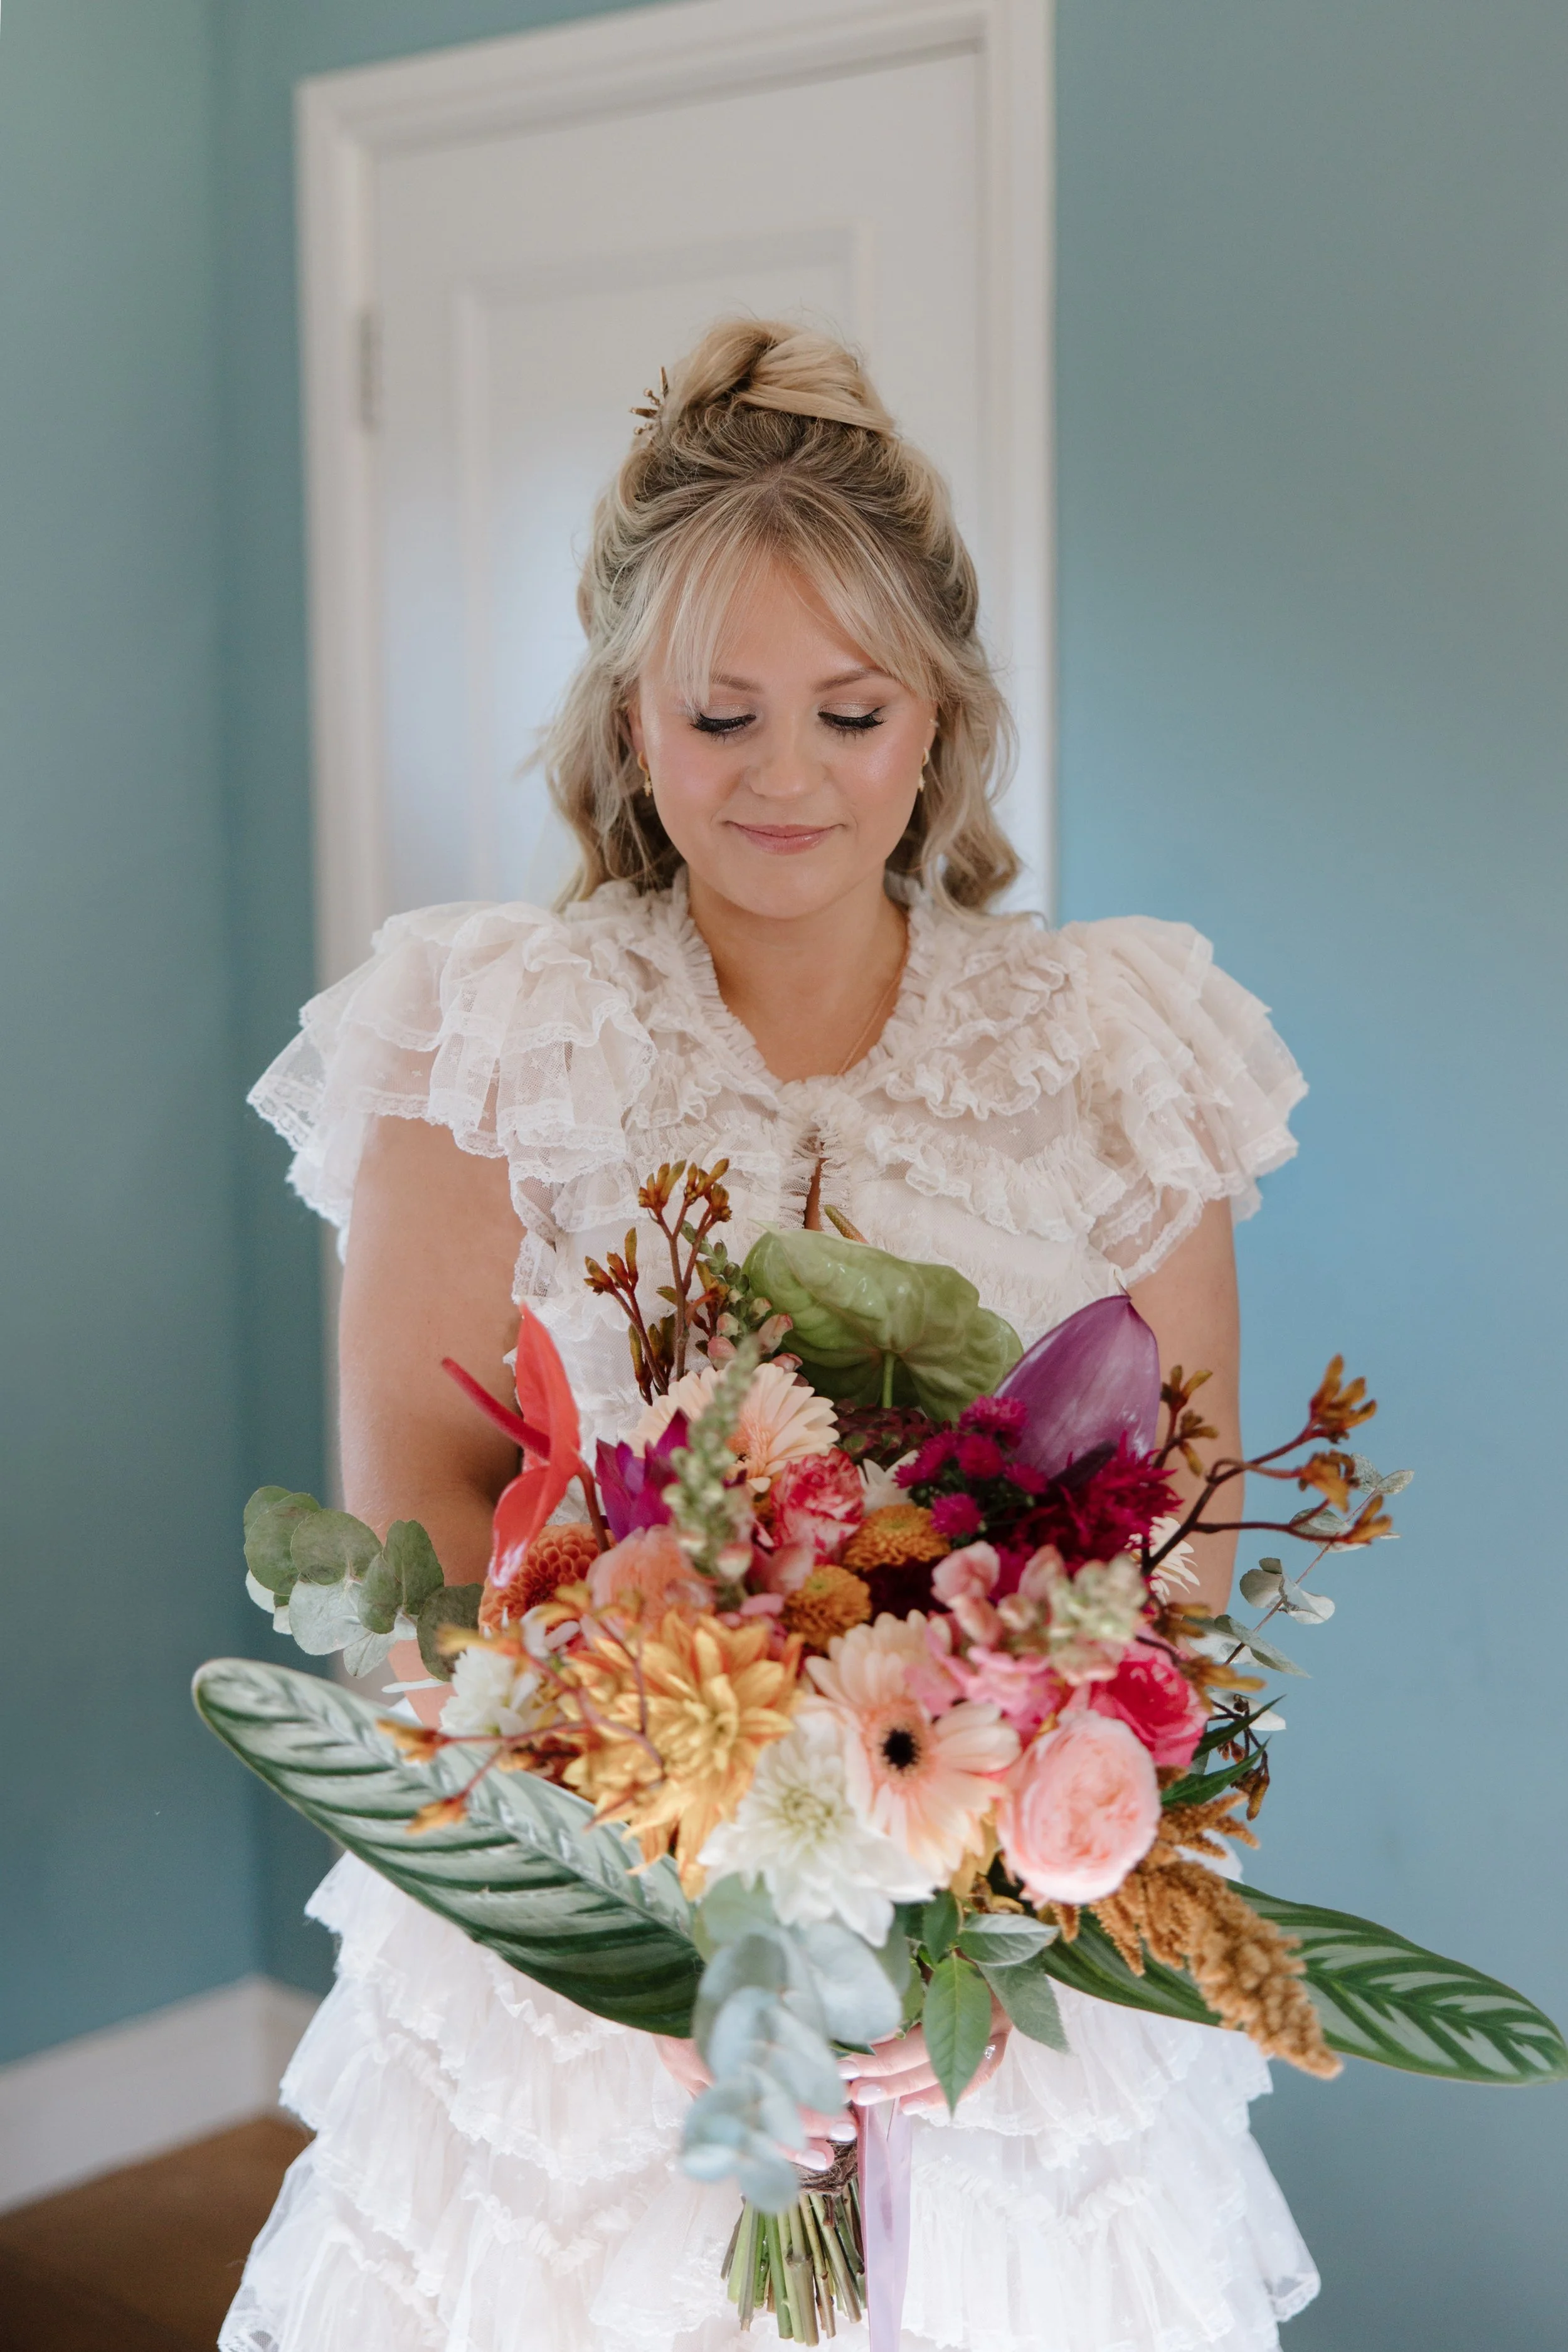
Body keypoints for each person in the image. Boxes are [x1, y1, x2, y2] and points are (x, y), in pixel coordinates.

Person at [225, 320, 1318, 2351]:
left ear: (938, 725)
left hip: (991, 1993)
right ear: (631, 721)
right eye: (721, 713)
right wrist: (662, 1939)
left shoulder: (1112, 1047)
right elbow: (427, 1549)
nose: (786, 774)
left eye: (846, 707)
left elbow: (1180, 1550)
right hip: (585, 1970)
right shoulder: (483, 1038)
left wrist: (982, 1942)